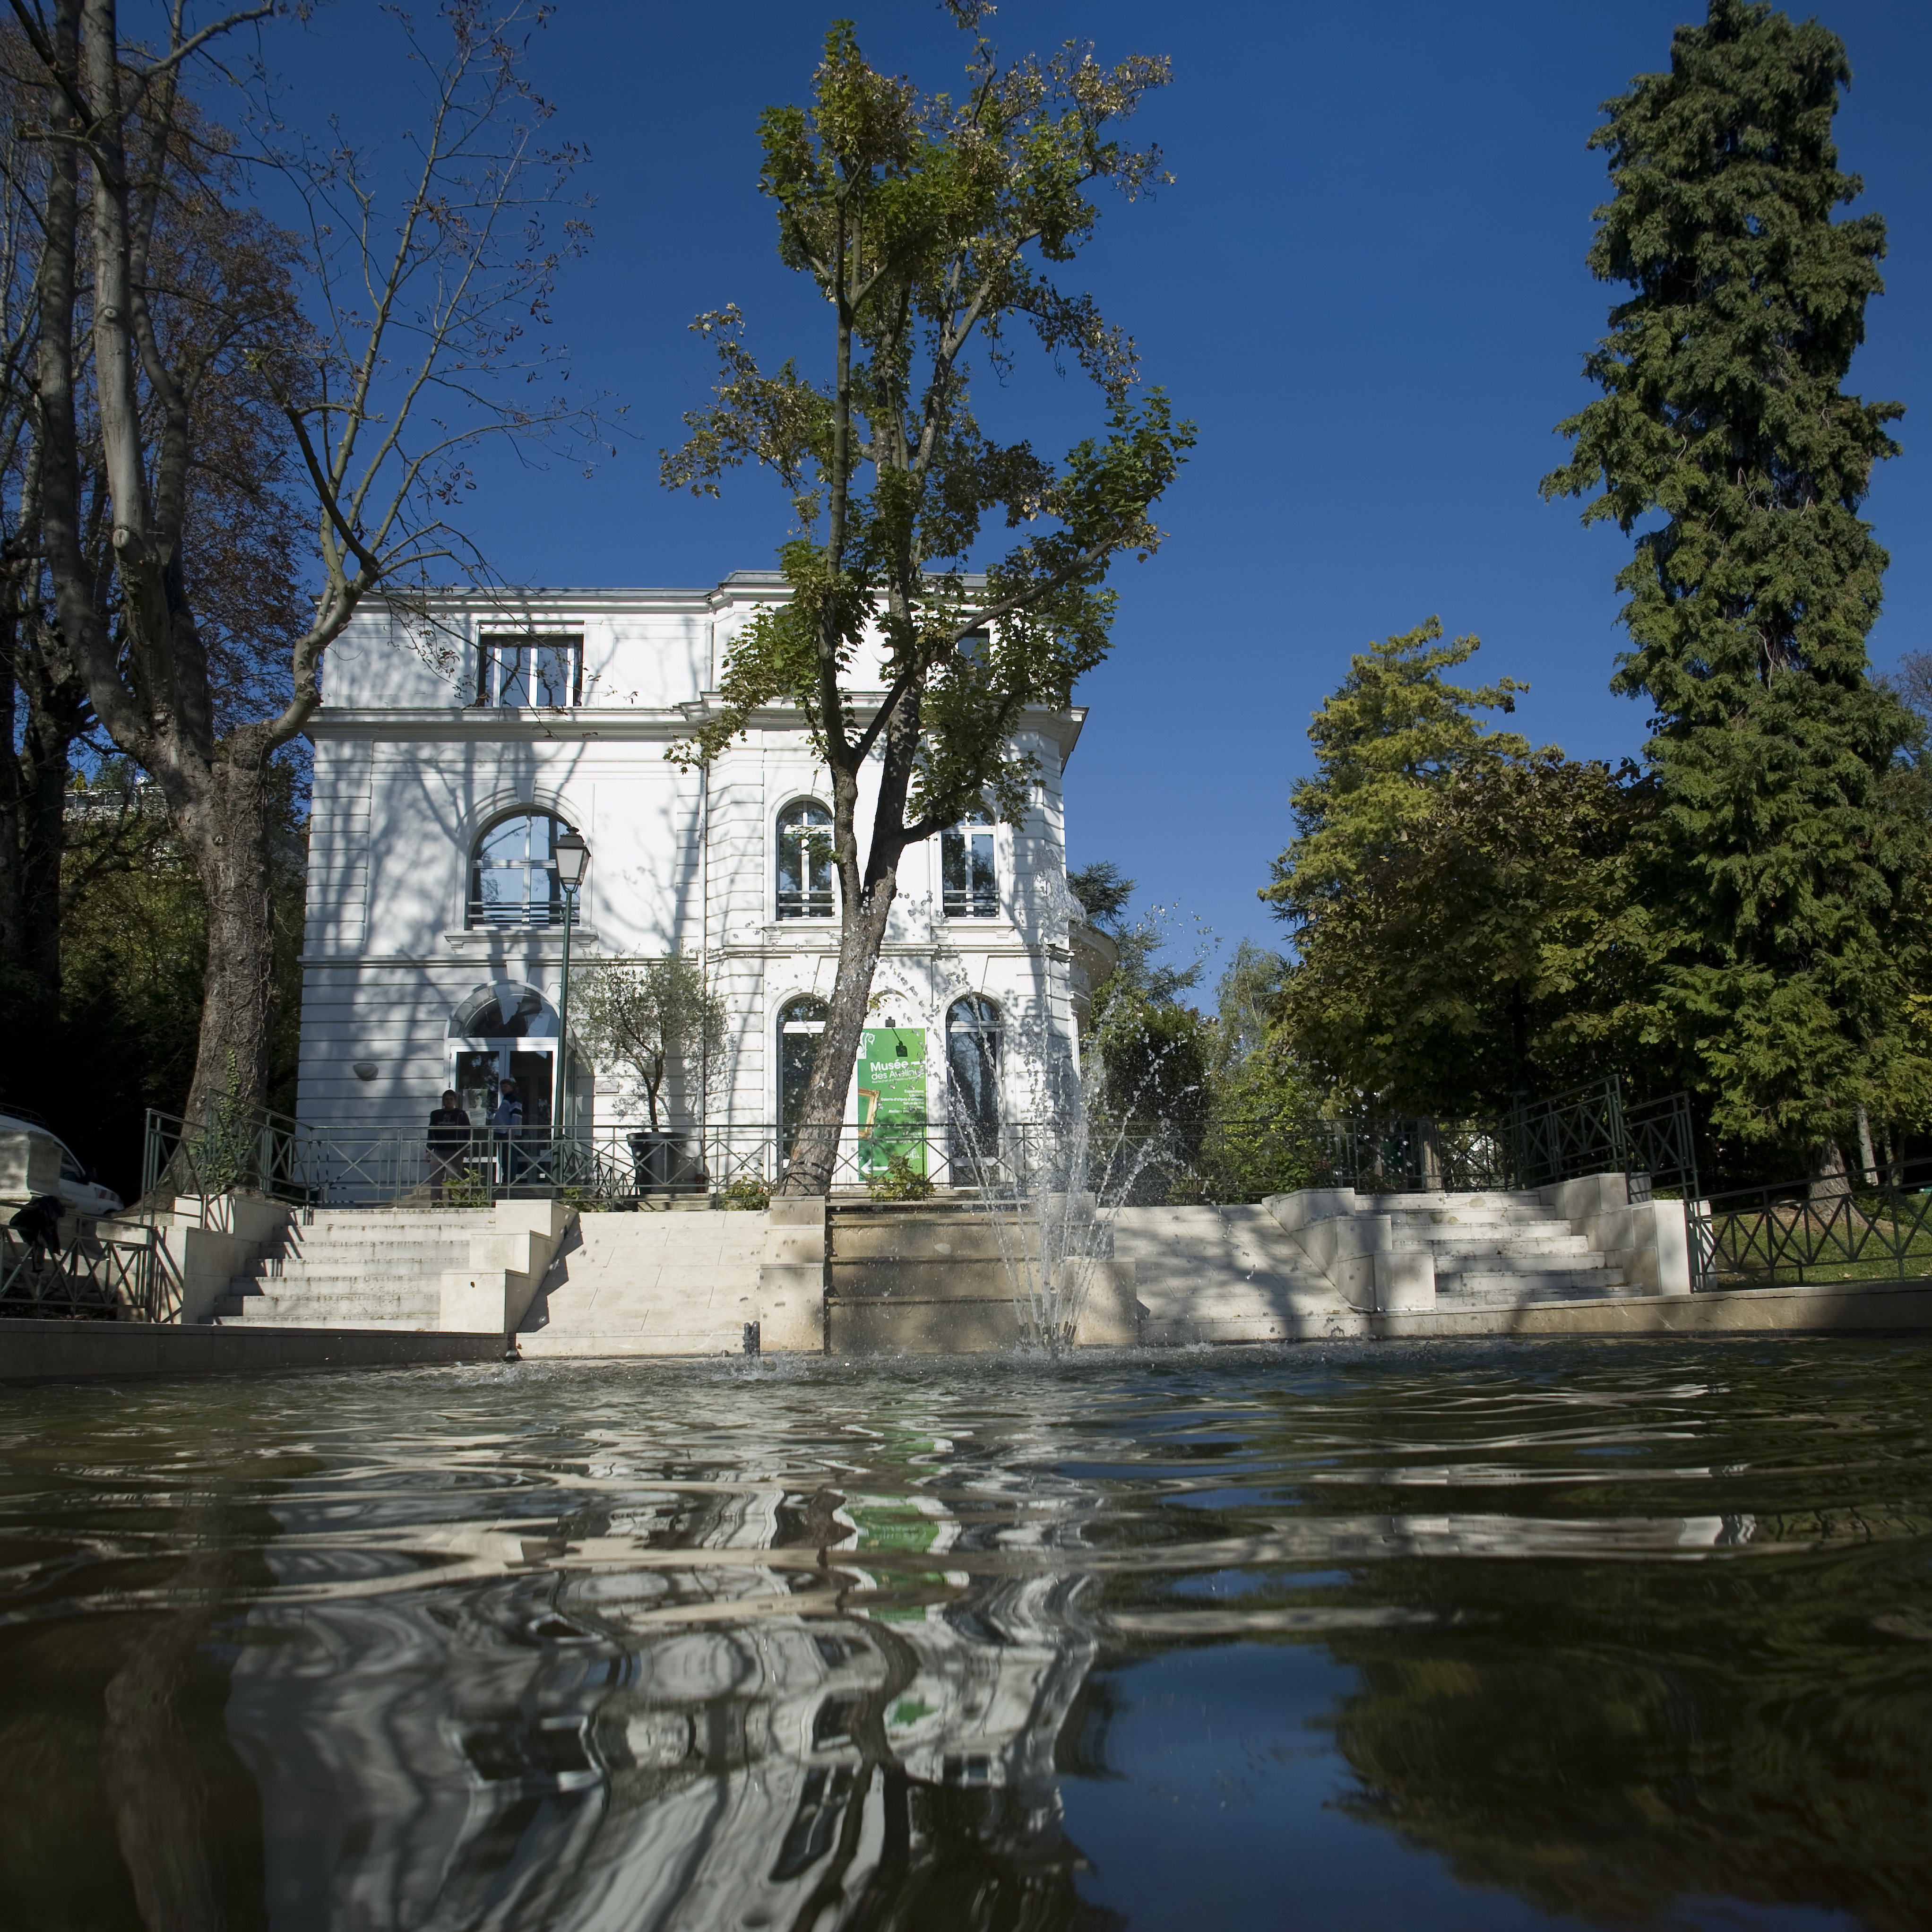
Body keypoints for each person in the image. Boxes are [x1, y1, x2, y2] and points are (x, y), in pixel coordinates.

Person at [427, 1089, 471, 1202]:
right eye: (447, 1099)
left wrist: (467, 1148)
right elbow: (431, 1132)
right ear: (443, 1101)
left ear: (455, 1101)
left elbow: (467, 1132)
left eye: (451, 1099)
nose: (449, 1101)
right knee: (436, 1178)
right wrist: (428, 1150)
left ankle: (454, 1202)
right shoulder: (436, 1115)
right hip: (439, 1151)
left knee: (453, 1179)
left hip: (455, 1151)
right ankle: (436, 1202)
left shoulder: (461, 1114)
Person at [489, 1077, 524, 1188]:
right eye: (502, 1087)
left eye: (506, 1086)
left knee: (510, 1157)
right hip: (502, 1133)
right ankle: (506, 1180)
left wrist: (514, 1132)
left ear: (511, 1087)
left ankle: (510, 1181)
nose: (503, 1089)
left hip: (508, 1133)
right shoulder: (506, 1099)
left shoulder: (514, 1098)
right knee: (504, 1158)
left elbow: (517, 1115)